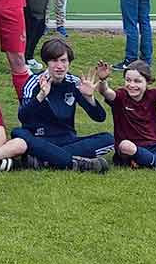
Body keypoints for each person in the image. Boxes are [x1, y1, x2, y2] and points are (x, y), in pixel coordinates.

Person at [13, 38, 112, 172]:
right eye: (54, 61)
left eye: (63, 60)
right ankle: (73, 162)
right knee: (18, 133)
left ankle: (45, 160)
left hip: (67, 139)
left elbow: (99, 117)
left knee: (108, 139)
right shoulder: (33, 82)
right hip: (39, 140)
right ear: (46, 62)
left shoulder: (74, 82)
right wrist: (41, 96)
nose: (59, 66)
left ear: (69, 62)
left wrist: (89, 97)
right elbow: (23, 117)